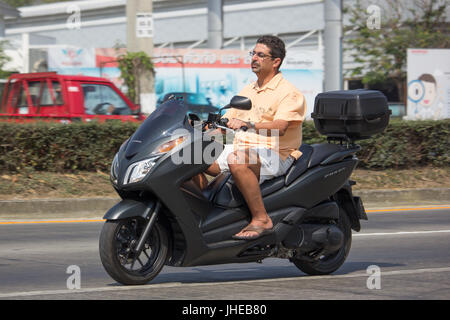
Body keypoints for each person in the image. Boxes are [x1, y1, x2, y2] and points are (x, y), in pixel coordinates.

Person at [194, 35, 306, 240]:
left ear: (275, 62)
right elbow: (226, 124)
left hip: (276, 154)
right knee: (192, 156)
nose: (254, 58)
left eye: (260, 55)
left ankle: (261, 218)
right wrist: (200, 130)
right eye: (252, 53)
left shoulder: (289, 93)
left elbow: (280, 127)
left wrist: (249, 125)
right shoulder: (249, 90)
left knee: (237, 159)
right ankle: (203, 213)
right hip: (243, 150)